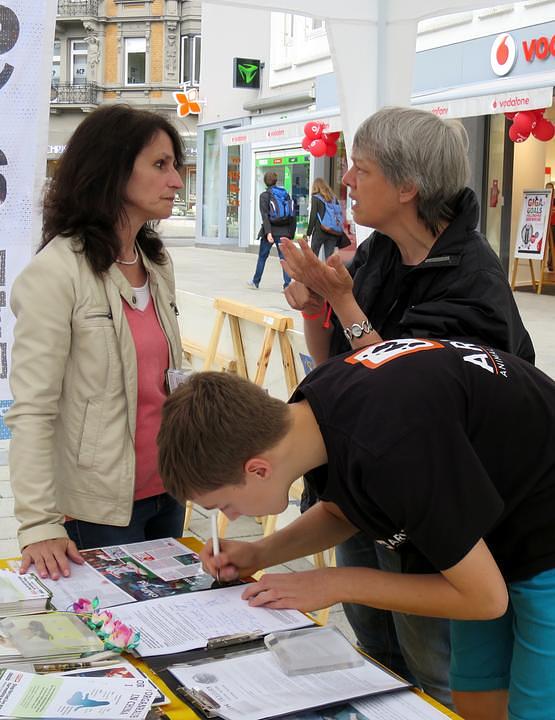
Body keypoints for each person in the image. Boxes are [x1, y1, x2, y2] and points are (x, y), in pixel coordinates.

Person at [279, 106, 535, 704]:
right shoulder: (382, 253)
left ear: (407, 186)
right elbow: (336, 366)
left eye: (358, 170)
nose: (345, 181)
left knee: (433, 671)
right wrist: (318, 305)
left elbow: (403, 395)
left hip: (435, 510)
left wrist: (345, 303)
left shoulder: (472, 280)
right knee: (373, 650)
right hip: (364, 488)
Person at [157, 340, 555, 720]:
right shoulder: (306, 416)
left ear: (257, 469)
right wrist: (260, 553)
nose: (230, 514)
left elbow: (485, 599)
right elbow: (342, 511)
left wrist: (338, 582)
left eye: (224, 505)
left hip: (540, 530)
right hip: (493, 525)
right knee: (474, 691)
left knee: (535, 709)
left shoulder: (393, 448)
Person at [6, 104, 186, 581]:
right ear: (113, 168)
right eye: (160, 165)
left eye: (176, 166)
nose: (177, 182)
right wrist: (38, 523)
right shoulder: (55, 274)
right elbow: (32, 411)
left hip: (169, 492)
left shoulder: (156, 264)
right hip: (98, 512)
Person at [247, 171, 296, 290]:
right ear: (276, 180)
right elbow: (292, 215)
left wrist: (268, 232)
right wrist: (291, 233)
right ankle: (288, 285)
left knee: (262, 256)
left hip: (271, 231)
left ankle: (255, 281)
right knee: (284, 258)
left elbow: (265, 216)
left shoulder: (264, 195)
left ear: (265, 181)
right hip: (284, 231)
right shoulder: (285, 194)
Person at [307, 178, 344, 260]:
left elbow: (313, 216)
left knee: (313, 258)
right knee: (330, 259)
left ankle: (314, 273)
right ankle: (328, 273)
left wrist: (308, 233)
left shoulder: (315, 198)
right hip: (332, 231)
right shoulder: (333, 198)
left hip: (319, 232)